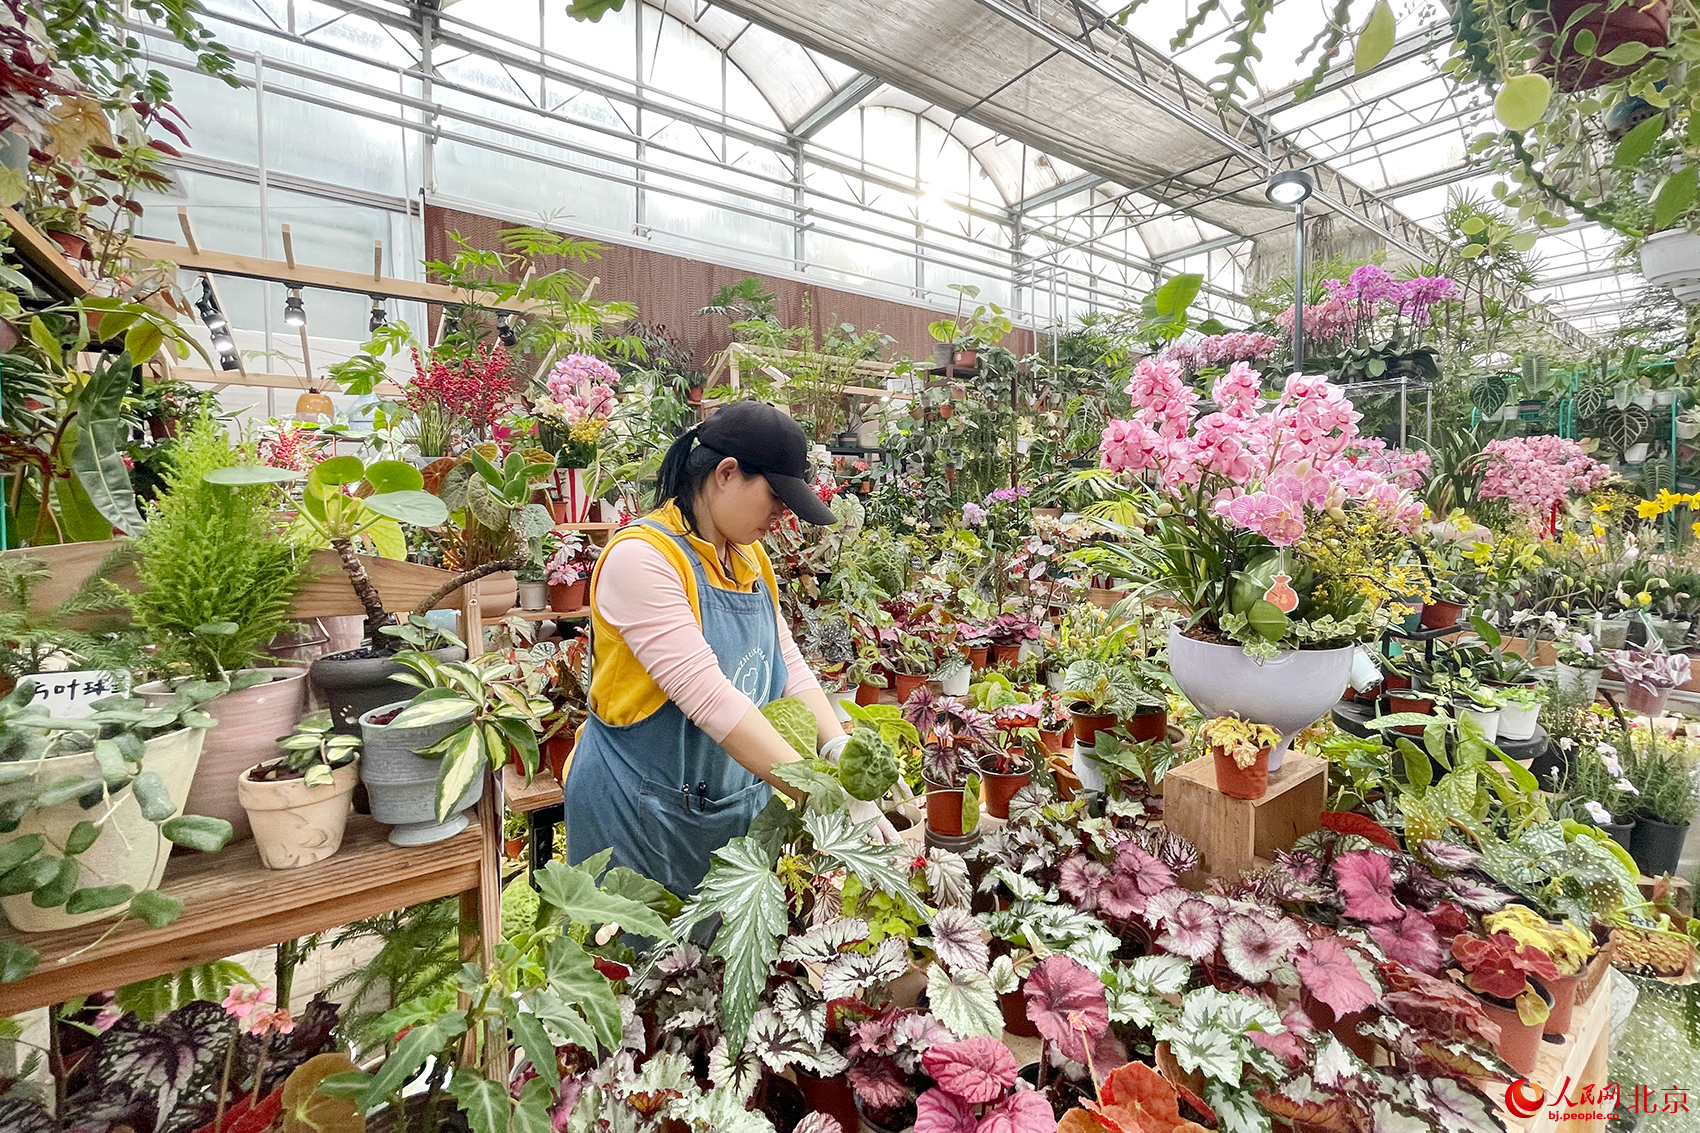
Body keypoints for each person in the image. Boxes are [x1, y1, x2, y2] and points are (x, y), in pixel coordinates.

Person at [564, 400, 895, 896]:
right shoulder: (641, 559)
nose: (782, 516)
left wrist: (838, 748)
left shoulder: (748, 558)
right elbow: (710, 698)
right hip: (636, 812)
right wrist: (822, 795)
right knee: (641, 962)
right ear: (726, 474)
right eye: (775, 498)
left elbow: (785, 661)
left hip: (721, 805)